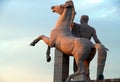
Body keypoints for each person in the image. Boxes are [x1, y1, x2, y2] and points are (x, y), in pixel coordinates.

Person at [71, 15, 107, 80]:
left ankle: (78, 78)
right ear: (87, 20)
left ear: (82, 19)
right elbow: (96, 40)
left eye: (80, 19)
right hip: (89, 48)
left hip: (79, 47)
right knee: (86, 64)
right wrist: (102, 46)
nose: (80, 20)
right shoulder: (92, 29)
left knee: (77, 65)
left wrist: (72, 14)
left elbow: (69, 23)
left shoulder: (77, 26)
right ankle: (86, 77)